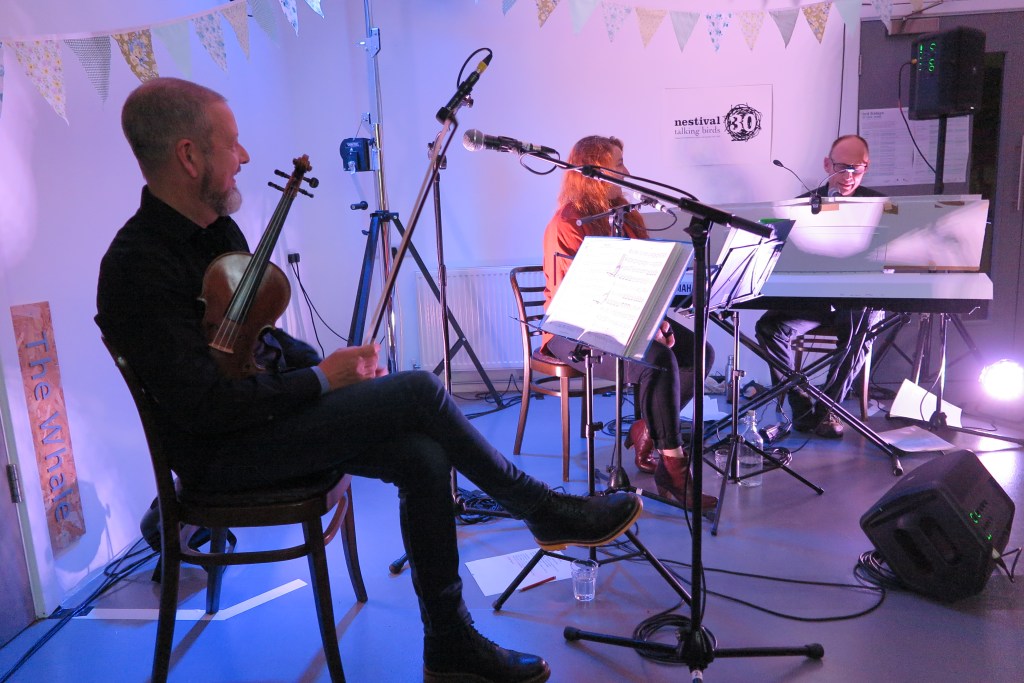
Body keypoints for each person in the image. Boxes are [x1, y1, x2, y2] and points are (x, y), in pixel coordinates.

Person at [96, 77, 643, 683]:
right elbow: (204, 408)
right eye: (232, 144)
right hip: (222, 454)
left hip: (263, 418)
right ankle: (543, 509)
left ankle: (449, 643)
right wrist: (323, 383)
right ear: (189, 155)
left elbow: (261, 340)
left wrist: (335, 365)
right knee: (417, 390)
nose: (244, 157)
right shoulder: (136, 267)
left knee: (422, 456)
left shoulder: (217, 233)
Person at [540, 135, 716, 510]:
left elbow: (643, 282)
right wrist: (650, 327)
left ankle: (647, 429)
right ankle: (673, 467)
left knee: (699, 351)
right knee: (657, 360)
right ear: (593, 171)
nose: (627, 171)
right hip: (574, 330)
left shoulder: (628, 215)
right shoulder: (568, 223)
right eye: (618, 164)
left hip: (626, 316)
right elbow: (586, 300)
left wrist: (658, 319)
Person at [755, 134, 885, 438]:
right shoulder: (801, 205)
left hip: (857, 302)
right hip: (814, 302)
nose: (850, 176)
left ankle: (828, 410)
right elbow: (783, 257)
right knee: (768, 328)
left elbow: (888, 260)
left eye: (858, 168)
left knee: (858, 328)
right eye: (842, 167)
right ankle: (800, 403)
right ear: (827, 164)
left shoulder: (881, 206)